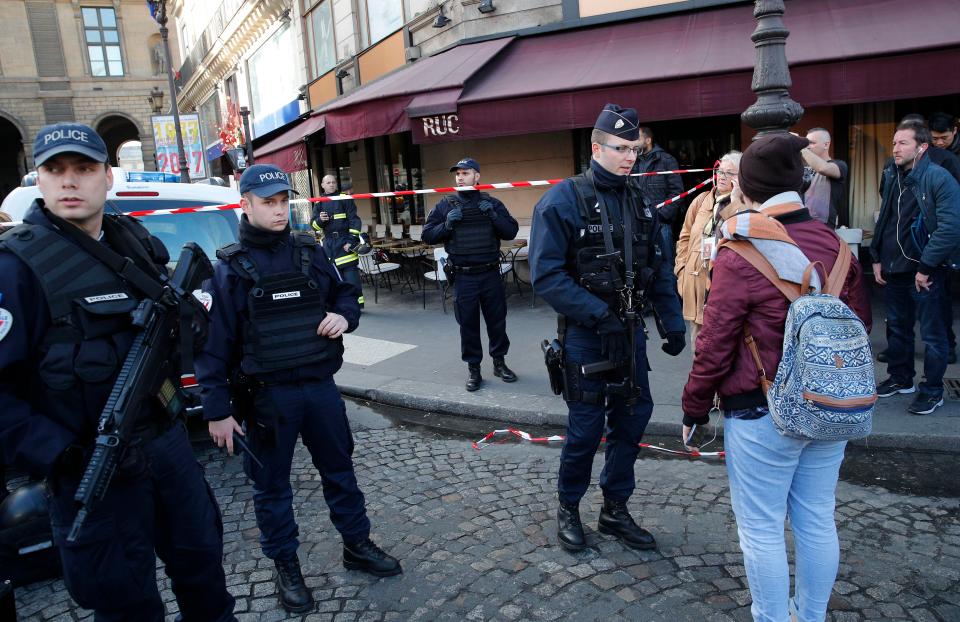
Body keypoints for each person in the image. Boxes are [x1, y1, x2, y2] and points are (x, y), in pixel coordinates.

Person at [0, 123, 235, 621]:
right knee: (123, 602)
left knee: (204, 573)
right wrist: (60, 455)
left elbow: (180, 322)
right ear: (36, 180)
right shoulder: (14, 268)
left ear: (107, 178)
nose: (70, 182)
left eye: (84, 169)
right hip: (90, 463)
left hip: (165, 444)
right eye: (55, 170)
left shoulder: (137, 240)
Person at [680, 133, 871, 622]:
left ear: (746, 188)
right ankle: (809, 616)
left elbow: (715, 341)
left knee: (762, 528)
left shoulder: (741, 247)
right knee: (816, 519)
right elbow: (860, 324)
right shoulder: (834, 243)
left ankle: (770, 618)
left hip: (761, 407)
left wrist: (694, 407)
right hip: (829, 403)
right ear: (800, 183)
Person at [197, 164, 400, 614]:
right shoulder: (229, 268)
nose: (277, 210)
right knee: (272, 488)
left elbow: (347, 294)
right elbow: (213, 347)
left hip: (320, 387)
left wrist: (345, 316)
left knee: (340, 472)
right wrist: (217, 410)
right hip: (268, 397)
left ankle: (357, 545)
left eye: (282, 201)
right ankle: (286, 567)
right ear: (245, 204)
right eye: (267, 202)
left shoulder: (309, 250)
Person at [529, 104, 685, 552]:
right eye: (620, 148)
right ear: (597, 148)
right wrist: (599, 316)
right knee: (584, 430)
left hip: (631, 333)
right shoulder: (562, 199)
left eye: (634, 149)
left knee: (632, 422)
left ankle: (615, 510)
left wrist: (672, 323)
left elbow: (657, 269)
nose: (629, 156)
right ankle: (569, 509)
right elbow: (546, 275)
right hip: (586, 336)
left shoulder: (639, 200)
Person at [871, 120, 960, 415]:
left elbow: (950, 227)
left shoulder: (938, 177)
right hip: (894, 266)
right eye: (894, 143)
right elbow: (886, 219)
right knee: (897, 328)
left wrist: (926, 266)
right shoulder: (891, 174)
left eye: (903, 143)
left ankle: (932, 391)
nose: (895, 148)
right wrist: (876, 256)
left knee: (933, 335)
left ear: (921, 147)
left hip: (927, 270)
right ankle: (900, 378)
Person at [422, 158, 520, 391]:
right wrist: (446, 225)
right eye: (457, 174)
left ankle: (499, 363)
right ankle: (474, 369)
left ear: (477, 176)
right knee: (468, 325)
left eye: (465, 173)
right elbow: (427, 236)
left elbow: (511, 231)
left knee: (497, 322)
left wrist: (494, 218)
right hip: (464, 276)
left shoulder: (492, 203)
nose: (460, 177)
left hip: (490, 274)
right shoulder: (445, 205)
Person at [675, 151, 741, 349]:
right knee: (698, 345)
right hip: (694, 280)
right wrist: (681, 271)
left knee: (721, 346)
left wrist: (737, 200)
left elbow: (734, 231)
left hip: (722, 285)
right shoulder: (702, 200)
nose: (722, 176)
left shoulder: (744, 205)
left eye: (730, 173)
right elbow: (684, 236)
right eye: (720, 170)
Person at [312, 174, 365, 308]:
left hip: (344, 241)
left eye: (333, 182)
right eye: (328, 182)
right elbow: (313, 225)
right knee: (333, 275)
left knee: (351, 276)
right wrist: (320, 221)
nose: (331, 184)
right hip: (329, 243)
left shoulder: (344, 198)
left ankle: (357, 305)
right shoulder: (319, 202)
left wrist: (351, 241)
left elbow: (354, 220)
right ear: (322, 185)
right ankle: (340, 304)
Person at [632, 127, 685, 262]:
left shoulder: (667, 160)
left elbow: (677, 191)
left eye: (637, 138)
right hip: (639, 223)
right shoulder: (632, 161)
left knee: (666, 262)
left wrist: (661, 215)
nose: (634, 142)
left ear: (648, 140)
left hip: (661, 224)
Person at [801, 128, 848, 227]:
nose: (808, 146)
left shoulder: (839, 165)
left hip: (822, 225)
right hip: (801, 223)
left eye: (812, 143)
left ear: (826, 145)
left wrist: (801, 148)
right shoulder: (802, 167)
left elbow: (823, 168)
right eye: (806, 143)